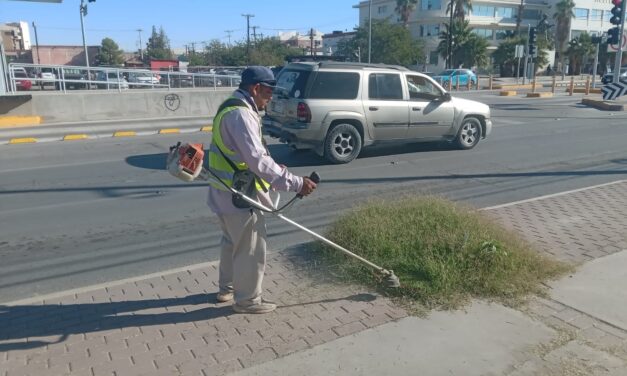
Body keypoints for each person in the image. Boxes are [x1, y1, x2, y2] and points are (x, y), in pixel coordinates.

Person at [207, 66, 317, 314]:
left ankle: (227, 288)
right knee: (250, 248)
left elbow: (245, 155)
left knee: (230, 242)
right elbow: (258, 161)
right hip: (240, 196)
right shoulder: (242, 116)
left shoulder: (229, 106)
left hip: (223, 191)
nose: (271, 97)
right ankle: (247, 300)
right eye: (268, 92)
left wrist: (276, 169)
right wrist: (296, 182)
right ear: (255, 88)